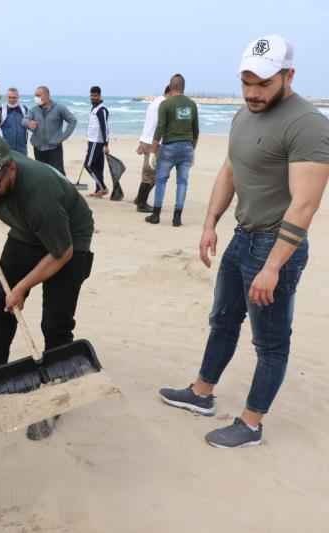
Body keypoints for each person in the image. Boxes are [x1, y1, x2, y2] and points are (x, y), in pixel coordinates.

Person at [159, 35, 329, 448]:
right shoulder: (244, 114)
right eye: (246, 83)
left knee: (270, 342)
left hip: (276, 247)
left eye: (263, 84)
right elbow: (230, 171)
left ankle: (251, 424)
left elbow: (304, 205)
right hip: (241, 238)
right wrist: (209, 222)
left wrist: (273, 266)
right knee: (222, 319)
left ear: (288, 75)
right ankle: (201, 393)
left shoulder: (308, 125)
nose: (253, 93)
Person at [0, 133, 95, 441]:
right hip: (25, 234)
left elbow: (62, 253)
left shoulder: (39, 195)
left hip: (68, 240)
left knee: (55, 322)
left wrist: (21, 286)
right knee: (1, 306)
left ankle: (58, 392)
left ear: (11, 170)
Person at [146, 74, 199, 226]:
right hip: (187, 147)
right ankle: (177, 217)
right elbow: (195, 131)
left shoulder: (166, 104)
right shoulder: (192, 105)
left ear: (170, 87)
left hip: (169, 147)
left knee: (161, 180)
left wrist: (153, 151)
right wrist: (192, 150)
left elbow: (160, 128)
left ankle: (156, 215)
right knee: (182, 182)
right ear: (183, 87)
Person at [23, 86, 77, 175]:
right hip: (38, 148)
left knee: (58, 174)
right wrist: (28, 123)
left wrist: (62, 137)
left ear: (47, 95)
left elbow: (73, 121)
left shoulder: (59, 108)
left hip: (54, 148)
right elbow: (24, 120)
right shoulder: (34, 110)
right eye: (35, 96)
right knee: (42, 174)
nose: (36, 98)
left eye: (38, 95)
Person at [133, 86, 171, 212]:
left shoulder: (155, 102)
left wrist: (141, 141)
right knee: (151, 175)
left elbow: (148, 123)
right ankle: (141, 203)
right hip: (154, 142)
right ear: (170, 92)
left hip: (146, 140)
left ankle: (139, 199)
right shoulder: (164, 104)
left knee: (148, 173)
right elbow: (162, 125)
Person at [84, 86, 110, 197]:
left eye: (95, 96)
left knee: (88, 165)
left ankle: (103, 187)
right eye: (91, 95)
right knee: (98, 167)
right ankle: (98, 190)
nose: (93, 97)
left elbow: (105, 127)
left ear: (99, 96)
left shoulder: (101, 110)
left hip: (97, 142)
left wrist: (106, 144)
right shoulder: (94, 108)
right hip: (92, 141)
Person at [0, 88, 29, 155]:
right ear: (7, 97)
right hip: (7, 147)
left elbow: (28, 125)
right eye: (10, 97)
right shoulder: (1, 110)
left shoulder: (24, 109)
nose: (12, 100)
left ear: (18, 97)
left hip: (22, 147)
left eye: (14, 97)